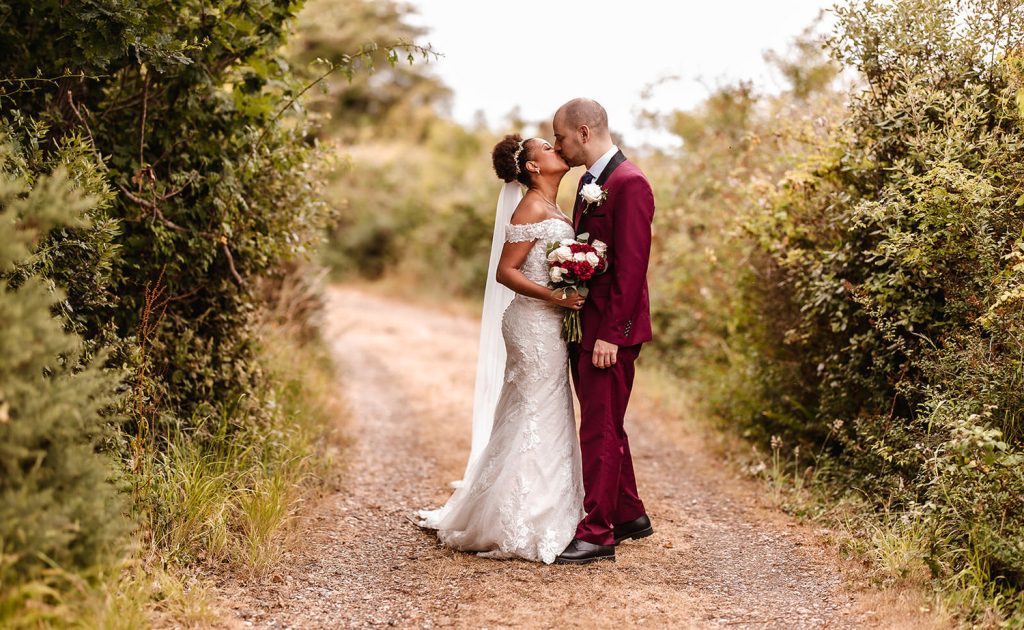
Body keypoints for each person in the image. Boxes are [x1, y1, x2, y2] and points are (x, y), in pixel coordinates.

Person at [416, 134, 586, 563]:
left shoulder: (551, 205)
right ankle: (523, 517)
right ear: (531, 167)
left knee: (541, 409)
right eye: (546, 147)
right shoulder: (529, 205)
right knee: (537, 409)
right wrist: (556, 297)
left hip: (548, 321)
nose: (555, 149)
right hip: (532, 322)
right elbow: (505, 272)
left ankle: (542, 506)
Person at [551, 98, 655, 565]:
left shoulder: (630, 183)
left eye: (562, 137)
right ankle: (630, 514)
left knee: (599, 429)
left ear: (585, 131)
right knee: (606, 423)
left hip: (610, 334)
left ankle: (598, 532)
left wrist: (612, 334)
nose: (559, 146)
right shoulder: (589, 183)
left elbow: (632, 270)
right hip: (588, 326)